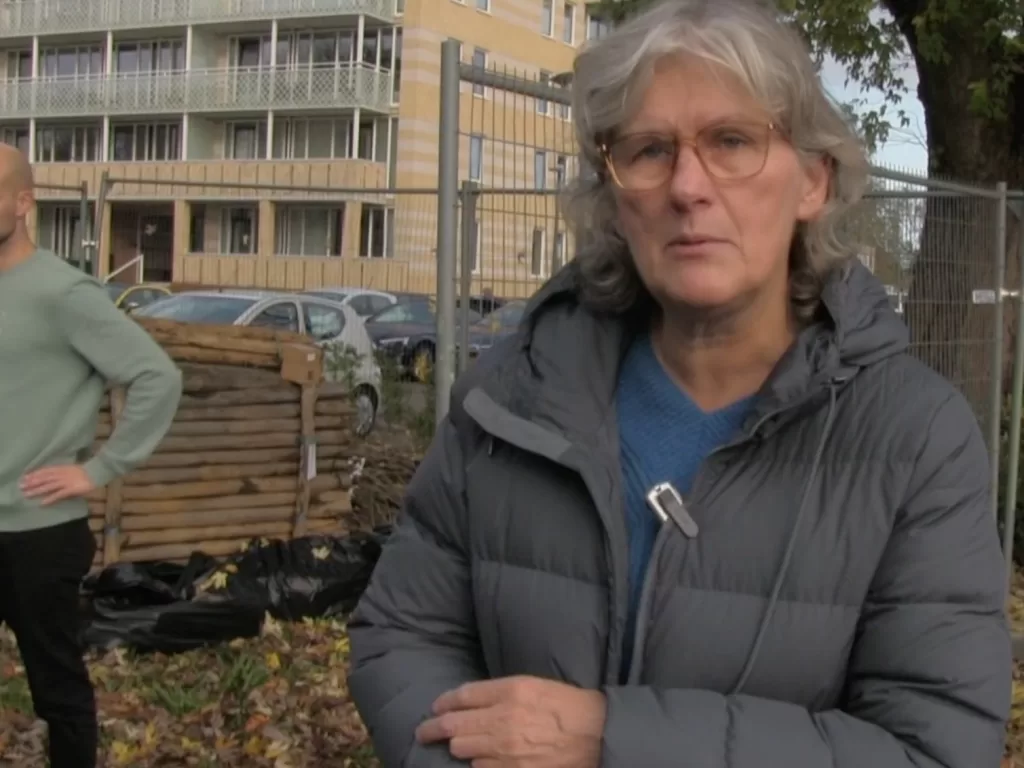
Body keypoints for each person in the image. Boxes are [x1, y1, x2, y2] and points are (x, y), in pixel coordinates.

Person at [347, 0, 1012, 765]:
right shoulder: (509, 400)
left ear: (812, 183)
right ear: (613, 195)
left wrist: (611, 738)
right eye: (650, 150)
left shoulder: (916, 442)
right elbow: (404, 638)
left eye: (732, 141)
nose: (687, 187)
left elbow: (936, 748)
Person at [0, 143, 182, 767]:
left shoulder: (64, 293)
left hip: (37, 533)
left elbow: (157, 377)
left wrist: (100, 468)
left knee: (57, 688)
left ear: (23, 202)